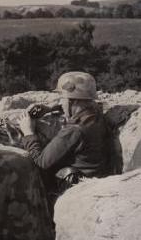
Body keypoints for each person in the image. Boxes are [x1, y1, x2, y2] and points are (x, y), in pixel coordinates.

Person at [19, 72, 110, 204]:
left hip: (78, 186)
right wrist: (50, 108)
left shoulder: (75, 129)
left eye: (62, 98)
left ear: (72, 100)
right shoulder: (96, 113)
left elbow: (42, 161)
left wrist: (28, 132)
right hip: (96, 175)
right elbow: (82, 106)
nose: (60, 102)